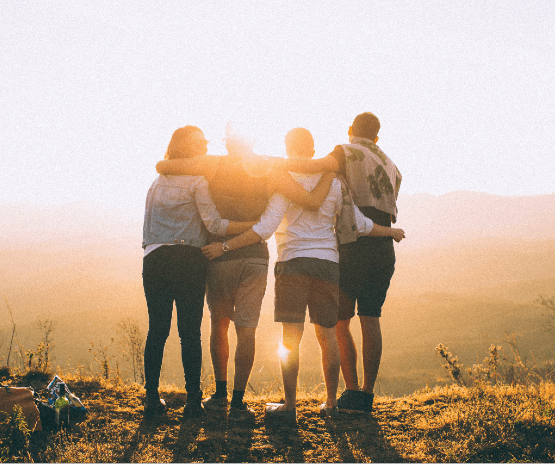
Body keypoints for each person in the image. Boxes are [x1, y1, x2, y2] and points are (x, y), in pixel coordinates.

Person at [201, 127, 404, 421]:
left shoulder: (285, 180)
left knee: (291, 338)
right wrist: (390, 231)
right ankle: (331, 403)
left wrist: (226, 246)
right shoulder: (334, 182)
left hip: (293, 262)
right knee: (328, 336)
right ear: (312, 150)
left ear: (287, 147)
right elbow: (359, 224)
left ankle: (290, 406)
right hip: (328, 264)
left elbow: (265, 228)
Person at [155, 123, 334, 421]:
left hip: (219, 255)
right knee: (247, 329)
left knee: (219, 324)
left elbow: (165, 165)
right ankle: (239, 401)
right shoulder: (270, 167)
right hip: (255, 257)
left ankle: (220, 393)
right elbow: (308, 199)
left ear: (227, 144)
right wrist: (330, 169)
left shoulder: (212, 165)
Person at [278, 113, 403, 414]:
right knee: (371, 318)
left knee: (340, 323)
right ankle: (367, 396)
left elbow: (312, 167)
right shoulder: (390, 164)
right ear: (377, 136)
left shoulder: (344, 152)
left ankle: (350, 391)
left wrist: (269, 165)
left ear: (350, 131)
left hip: (352, 245)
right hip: (382, 246)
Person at [142, 126, 255, 419]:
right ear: (189, 148)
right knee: (189, 332)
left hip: (154, 259)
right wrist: (252, 226)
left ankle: (151, 399)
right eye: (201, 142)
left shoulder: (156, 182)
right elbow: (215, 225)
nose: (206, 146)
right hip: (189, 260)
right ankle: (193, 401)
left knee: (157, 330)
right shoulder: (198, 181)